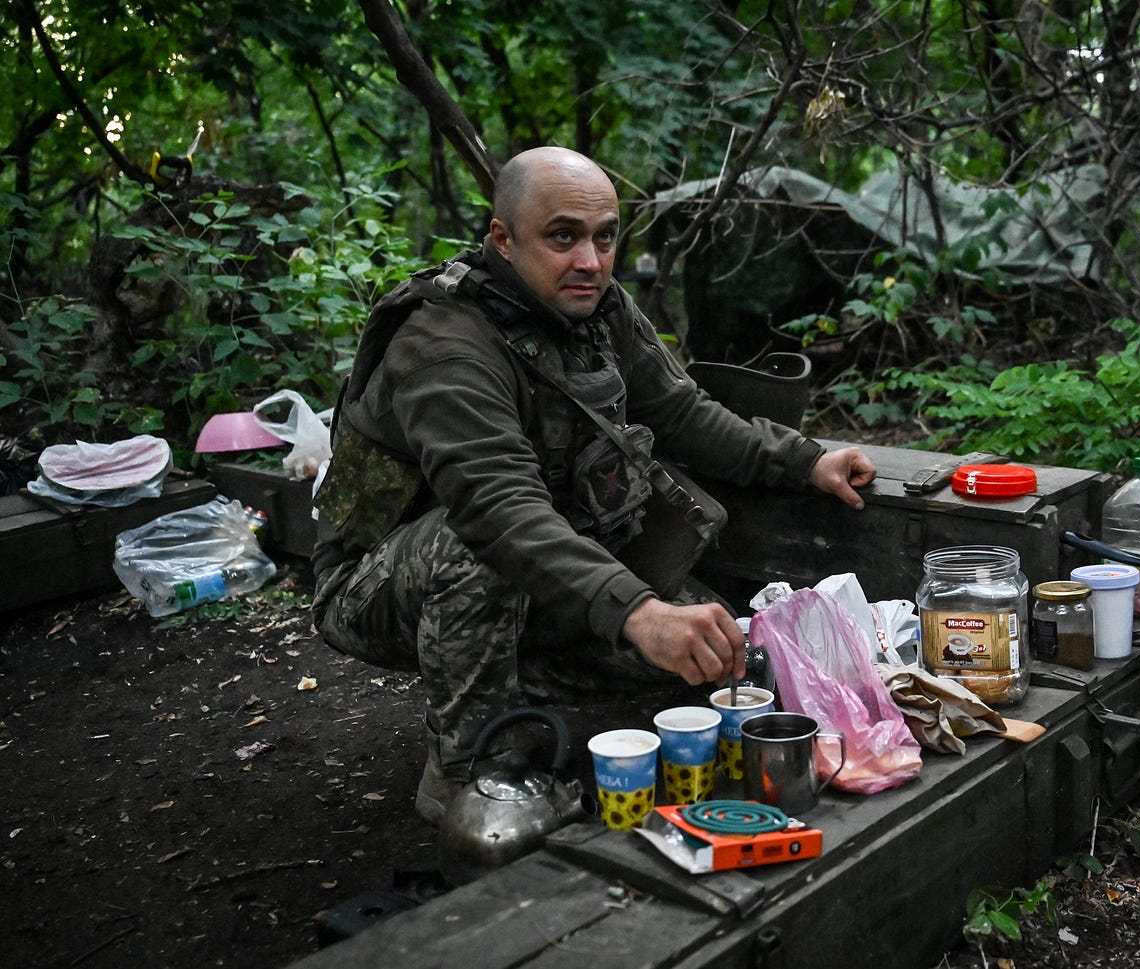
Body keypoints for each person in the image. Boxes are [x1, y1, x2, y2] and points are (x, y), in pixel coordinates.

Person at [310, 146, 876, 824]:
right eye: (562, 236)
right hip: (384, 583)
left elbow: (679, 412)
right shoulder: (444, 344)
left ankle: (533, 666)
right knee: (471, 549)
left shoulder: (596, 306)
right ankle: (469, 773)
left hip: (548, 570)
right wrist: (639, 612)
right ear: (503, 240)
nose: (590, 259)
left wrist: (803, 460)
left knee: (724, 666)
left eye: (604, 236)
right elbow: (500, 510)